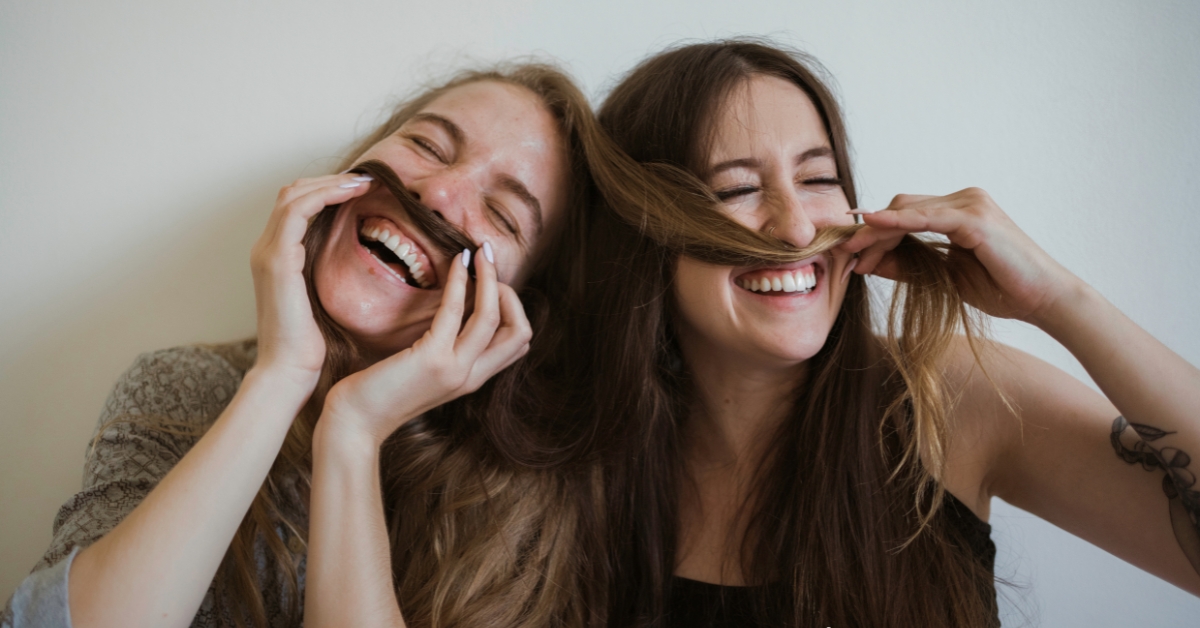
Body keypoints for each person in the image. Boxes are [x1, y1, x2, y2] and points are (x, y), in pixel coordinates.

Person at [552, 40, 1200, 627]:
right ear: (642, 231)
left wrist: (1061, 300)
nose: (799, 228)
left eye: (817, 179)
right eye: (739, 189)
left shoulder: (944, 398)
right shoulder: (570, 468)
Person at [2, 62, 616, 628]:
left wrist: (352, 432)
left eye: (503, 214)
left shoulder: (525, 514)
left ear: (517, 316)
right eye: (426, 145)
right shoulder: (184, 389)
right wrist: (282, 376)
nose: (437, 195)